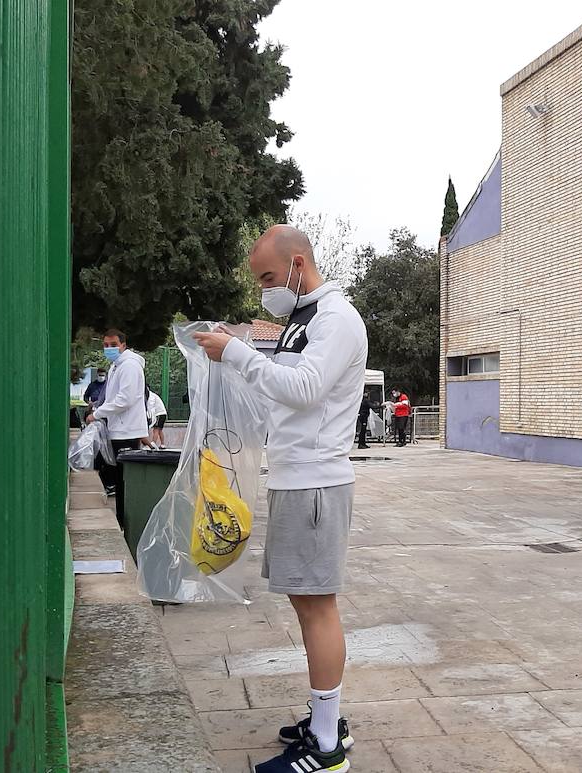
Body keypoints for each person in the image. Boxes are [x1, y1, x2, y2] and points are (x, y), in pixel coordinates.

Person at [193, 224, 367, 773]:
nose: (265, 289)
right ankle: (325, 721)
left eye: (268, 277)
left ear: (297, 264)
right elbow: (282, 388)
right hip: (295, 478)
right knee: (305, 602)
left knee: (317, 607)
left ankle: (326, 748)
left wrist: (238, 354)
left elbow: (305, 389)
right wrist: (239, 351)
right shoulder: (303, 319)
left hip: (315, 482)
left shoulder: (335, 319)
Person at [90, 329, 148, 527]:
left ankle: (125, 522)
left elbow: (125, 399)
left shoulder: (129, 366)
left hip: (126, 431)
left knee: (124, 481)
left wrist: (98, 413)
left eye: (113, 345)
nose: (109, 349)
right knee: (119, 479)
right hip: (119, 429)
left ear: (123, 345)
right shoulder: (116, 366)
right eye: (106, 345)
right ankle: (122, 520)